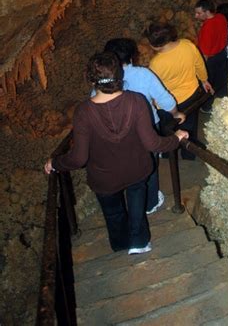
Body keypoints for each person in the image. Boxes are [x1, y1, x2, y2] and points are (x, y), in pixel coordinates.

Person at [44, 52, 188, 255]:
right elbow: (152, 142)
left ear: (91, 79)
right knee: (137, 206)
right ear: (120, 75)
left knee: (113, 213)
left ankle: (121, 243)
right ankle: (139, 242)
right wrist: (176, 138)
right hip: (137, 168)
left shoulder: (83, 112)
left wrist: (55, 163)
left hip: (104, 176)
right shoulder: (137, 101)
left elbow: (79, 158)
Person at [103, 38, 185, 213]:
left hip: (117, 133)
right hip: (146, 127)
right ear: (132, 57)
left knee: (127, 164)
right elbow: (164, 98)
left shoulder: (102, 81)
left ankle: (131, 198)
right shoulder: (143, 74)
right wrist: (176, 114)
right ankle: (150, 202)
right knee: (149, 165)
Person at [146, 23, 214, 159]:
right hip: (191, 95)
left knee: (167, 130)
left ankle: (167, 153)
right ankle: (189, 153)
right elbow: (199, 64)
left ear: (155, 45)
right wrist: (204, 80)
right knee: (189, 126)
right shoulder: (187, 45)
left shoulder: (156, 63)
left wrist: (153, 102)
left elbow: (154, 87)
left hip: (167, 105)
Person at [194, 0, 228, 112]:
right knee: (222, 79)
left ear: (207, 12)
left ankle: (207, 107)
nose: (196, 16)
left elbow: (205, 53)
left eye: (199, 13)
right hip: (222, 54)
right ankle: (224, 101)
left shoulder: (207, 28)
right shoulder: (221, 17)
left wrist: (201, 71)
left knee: (208, 83)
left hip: (211, 59)